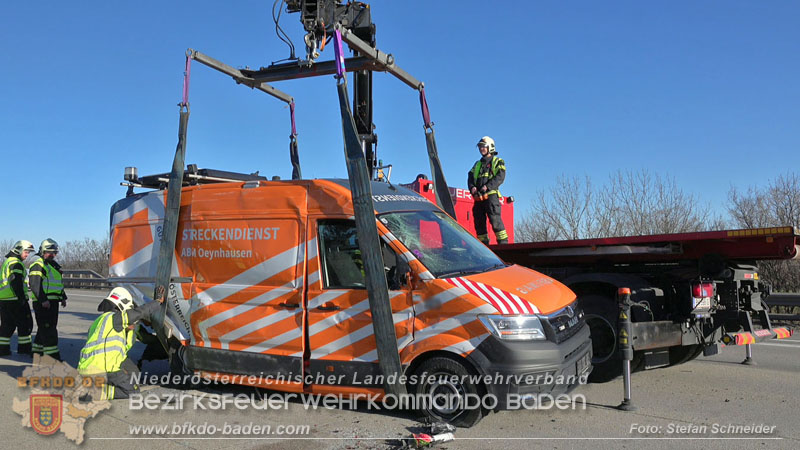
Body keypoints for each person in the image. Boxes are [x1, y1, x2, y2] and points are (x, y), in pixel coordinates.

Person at [78, 287, 162, 400]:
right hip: (105, 369)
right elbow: (139, 312)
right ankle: (95, 392)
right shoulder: (115, 318)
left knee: (133, 373)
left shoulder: (99, 322)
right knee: (132, 391)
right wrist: (157, 302)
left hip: (87, 368)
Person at [28, 238, 67, 360]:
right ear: (42, 251)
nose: (53, 255)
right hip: (44, 302)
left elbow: (57, 283)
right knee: (49, 330)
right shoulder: (38, 263)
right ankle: (52, 358)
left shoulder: (51, 265)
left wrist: (63, 297)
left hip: (52, 301)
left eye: (55, 253)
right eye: (50, 252)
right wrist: (43, 300)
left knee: (44, 328)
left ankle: (36, 352)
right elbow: (35, 284)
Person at [467, 136, 509, 245]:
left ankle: (503, 244)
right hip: (478, 197)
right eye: (480, 147)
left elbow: (500, 177)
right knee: (479, 222)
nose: (481, 149)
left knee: (495, 220)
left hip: (491, 196)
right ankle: (484, 246)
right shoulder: (477, 164)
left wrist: (488, 187)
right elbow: (470, 176)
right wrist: (472, 187)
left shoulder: (498, 161)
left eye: (483, 146)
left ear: (490, 147)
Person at [0, 240, 35, 356]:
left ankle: (3, 349)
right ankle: (24, 348)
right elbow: (16, 282)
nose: (27, 255)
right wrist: (21, 298)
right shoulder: (17, 264)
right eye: (26, 252)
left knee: (7, 325)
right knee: (26, 324)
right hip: (15, 299)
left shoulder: (7, 262)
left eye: (28, 252)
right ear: (18, 249)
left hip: (5, 299)